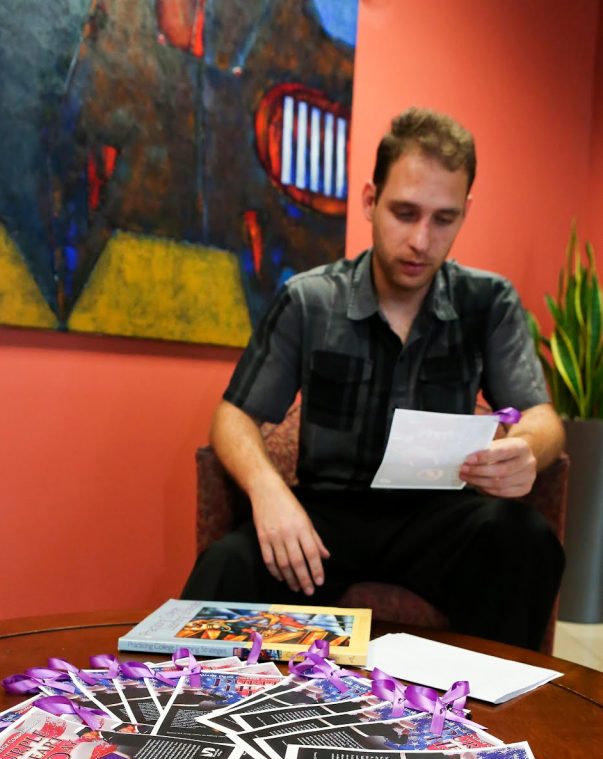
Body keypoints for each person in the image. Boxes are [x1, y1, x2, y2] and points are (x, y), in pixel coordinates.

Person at [182, 108, 565, 650]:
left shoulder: (488, 302)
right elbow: (234, 416)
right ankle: (183, 713)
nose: (421, 241)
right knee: (227, 566)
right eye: (404, 213)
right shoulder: (309, 299)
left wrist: (527, 448)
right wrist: (269, 490)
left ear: (465, 213)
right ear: (370, 200)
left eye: (443, 219)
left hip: (440, 518)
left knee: (527, 542)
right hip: (326, 517)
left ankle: (488, 722)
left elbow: (542, 417)